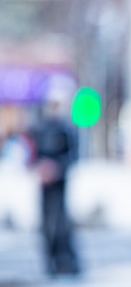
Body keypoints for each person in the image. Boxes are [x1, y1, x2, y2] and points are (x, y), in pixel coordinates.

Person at [29, 94, 80, 276]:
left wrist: (57, 168)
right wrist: (40, 168)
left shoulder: (66, 129)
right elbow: (33, 155)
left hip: (59, 185)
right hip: (45, 185)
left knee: (61, 224)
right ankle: (50, 263)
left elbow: (73, 156)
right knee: (46, 225)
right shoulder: (39, 129)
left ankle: (67, 263)